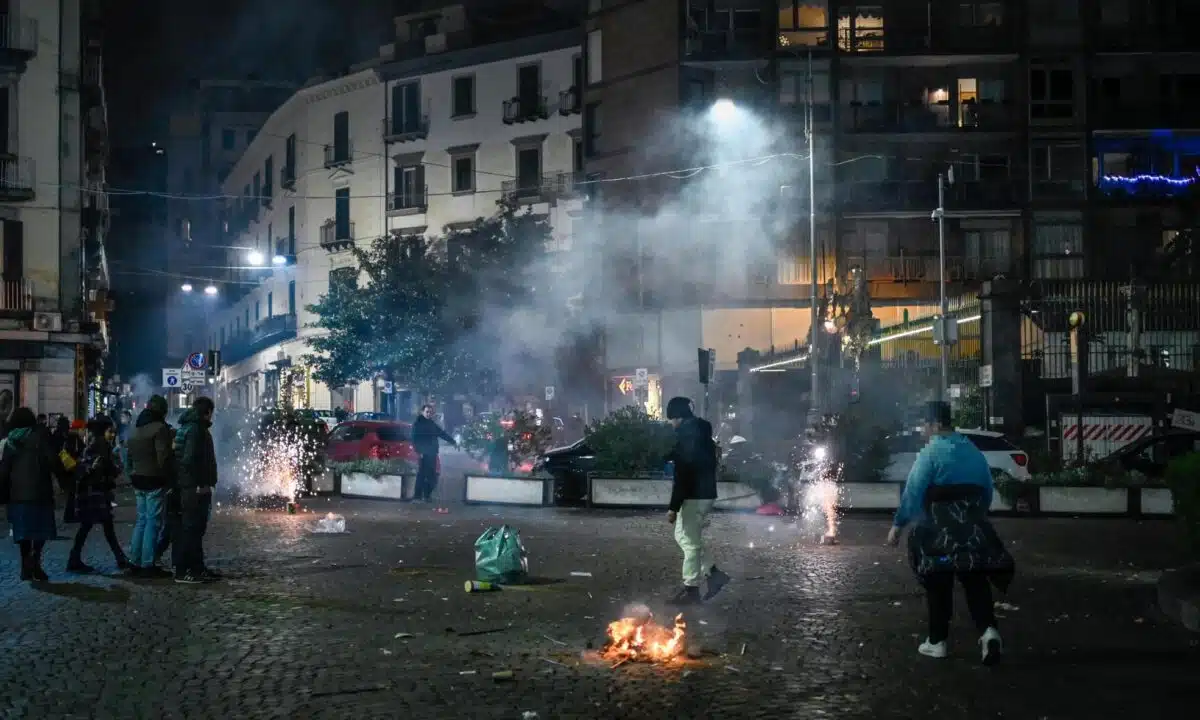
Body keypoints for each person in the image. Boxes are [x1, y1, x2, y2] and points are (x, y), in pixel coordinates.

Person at [887, 400, 1014, 666]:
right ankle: (989, 632)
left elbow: (914, 492)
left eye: (924, 425)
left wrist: (898, 525)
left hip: (938, 536)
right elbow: (987, 491)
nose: (923, 430)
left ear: (934, 425)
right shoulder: (973, 451)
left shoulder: (930, 453)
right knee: (975, 581)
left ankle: (937, 641)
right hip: (972, 532)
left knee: (938, 582)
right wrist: (973, 519)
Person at [664, 396, 730, 606]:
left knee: (689, 542)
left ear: (678, 417)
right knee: (685, 537)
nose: (671, 424)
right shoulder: (701, 434)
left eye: (672, 419)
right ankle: (713, 573)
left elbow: (683, 474)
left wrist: (673, 507)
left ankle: (691, 588)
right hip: (705, 493)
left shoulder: (686, 437)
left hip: (694, 495)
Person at [0, 407, 68, 581]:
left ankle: (25, 565)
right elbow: (53, 459)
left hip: (17, 495)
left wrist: (3, 494)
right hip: (40, 491)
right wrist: (64, 480)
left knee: (23, 532)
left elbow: (4, 471)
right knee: (40, 530)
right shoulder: (40, 436)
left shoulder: (10, 442)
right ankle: (35, 562)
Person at [68, 416, 130, 573]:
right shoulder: (101, 446)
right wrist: (117, 467)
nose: (113, 435)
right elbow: (109, 469)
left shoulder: (95, 444)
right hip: (95, 492)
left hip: (92, 492)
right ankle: (119, 558)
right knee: (99, 526)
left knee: (93, 526)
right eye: (111, 431)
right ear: (103, 431)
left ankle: (75, 558)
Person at [124, 395, 174, 578]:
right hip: (154, 480)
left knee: (142, 521)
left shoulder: (136, 429)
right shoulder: (159, 429)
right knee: (153, 523)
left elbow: (127, 456)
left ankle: (134, 561)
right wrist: (168, 477)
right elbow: (163, 457)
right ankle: (148, 563)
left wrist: (131, 473)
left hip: (138, 478)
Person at [173, 397, 219, 584]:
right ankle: (183, 571)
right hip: (195, 488)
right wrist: (200, 484)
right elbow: (191, 459)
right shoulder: (196, 430)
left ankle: (197, 568)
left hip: (190, 486)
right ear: (207, 412)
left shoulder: (189, 427)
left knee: (195, 529)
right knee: (191, 529)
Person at [412, 403, 455, 503]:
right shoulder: (418, 424)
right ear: (422, 412)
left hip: (432, 453)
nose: (428, 414)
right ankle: (417, 497)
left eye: (430, 412)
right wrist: (419, 451)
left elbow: (441, 433)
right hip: (423, 454)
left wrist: (453, 441)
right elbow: (414, 439)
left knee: (432, 476)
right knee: (422, 475)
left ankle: (426, 496)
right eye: (427, 412)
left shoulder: (431, 423)